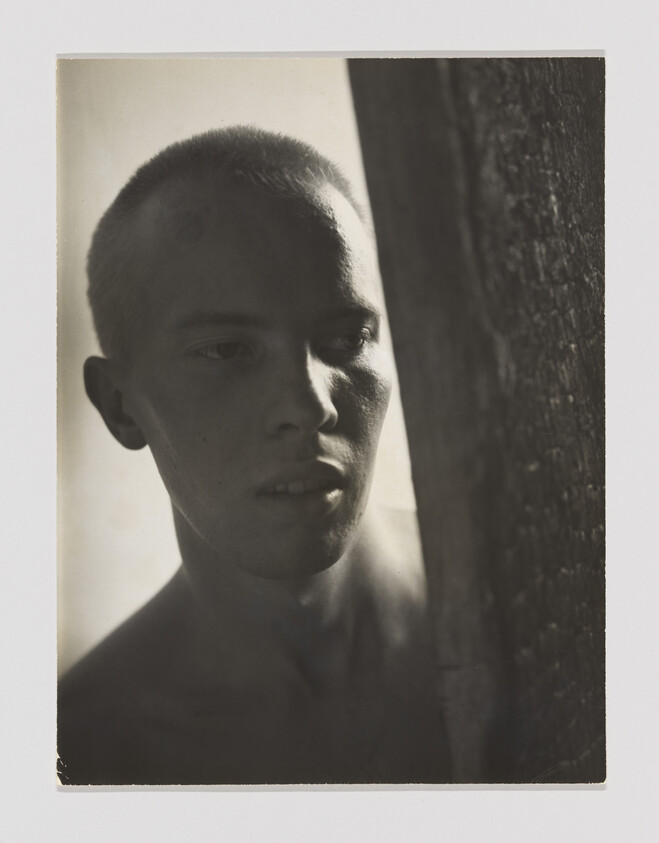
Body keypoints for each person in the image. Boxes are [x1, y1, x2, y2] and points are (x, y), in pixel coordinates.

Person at [57, 126, 450, 785]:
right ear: (120, 405)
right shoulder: (80, 752)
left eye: (346, 336)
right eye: (228, 350)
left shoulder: (534, 592)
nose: (306, 403)